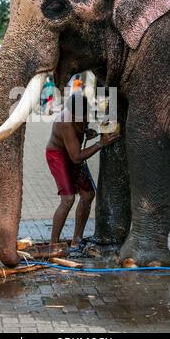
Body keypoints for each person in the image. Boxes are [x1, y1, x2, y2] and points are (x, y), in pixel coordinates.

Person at [46, 94, 118, 249]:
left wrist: (88, 131)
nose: (85, 118)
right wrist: (100, 143)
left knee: (88, 195)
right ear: (72, 113)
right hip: (58, 155)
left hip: (73, 153)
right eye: (81, 117)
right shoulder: (66, 122)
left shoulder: (83, 113)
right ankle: (53, 244)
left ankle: (76, 240)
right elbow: (77, 158)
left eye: (86, 115)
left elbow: (80, 136)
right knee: (68, 199)